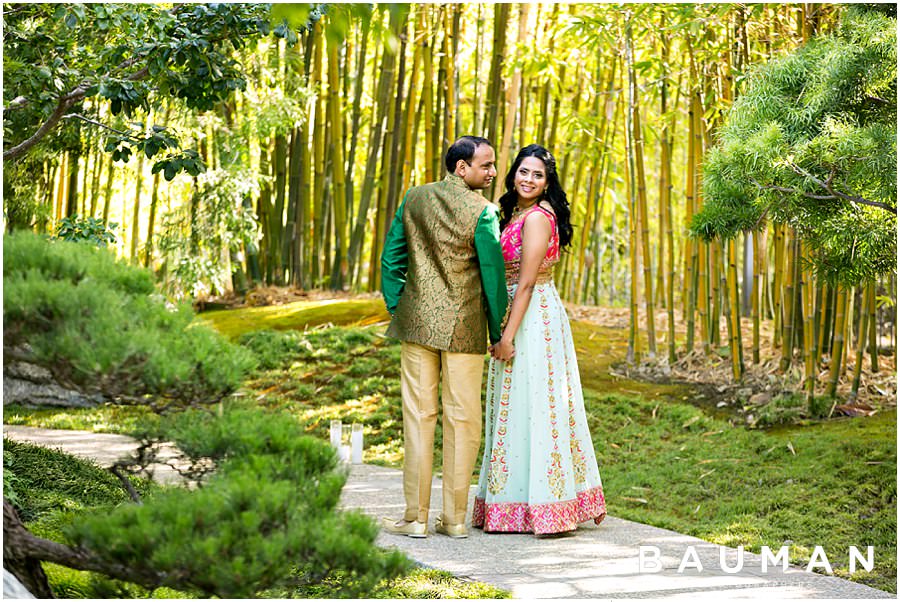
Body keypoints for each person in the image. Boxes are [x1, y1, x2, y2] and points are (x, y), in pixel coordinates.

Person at [473, 144, 606, 536]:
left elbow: (527, 282)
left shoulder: (536, 218)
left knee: (534, 405)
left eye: (538, 175)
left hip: (533, 318)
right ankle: (521, 501)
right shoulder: (518, 213)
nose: (528, 180)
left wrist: (507, 337)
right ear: (513, 173)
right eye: (523, 172)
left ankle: (543, 505)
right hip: (523, 310)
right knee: (520, 405)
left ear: (548, 183)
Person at [380, 136, 508, 539]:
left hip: (416, 324)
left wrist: (397, 303)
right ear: (461, 168)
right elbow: (493, 277)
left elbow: (391, 258)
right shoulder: (485, 212)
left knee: (418, 418)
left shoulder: (414, 198)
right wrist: (497, 329)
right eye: (485, 166)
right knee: (463, 419)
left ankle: (415, 518)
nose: (491, 173)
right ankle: (454, 519)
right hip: (465, 328)